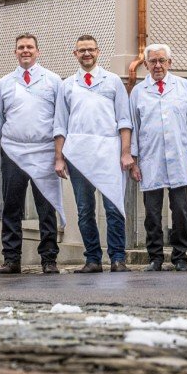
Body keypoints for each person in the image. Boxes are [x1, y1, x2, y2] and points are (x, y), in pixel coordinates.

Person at [52, 33, 135, 273]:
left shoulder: (113, 81)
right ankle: (93, 259)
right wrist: (59, 157)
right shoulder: (67, 85)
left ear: (98, 52)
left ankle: (118, 258)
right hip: (78, 155)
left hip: (109, 152)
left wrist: (126, 152)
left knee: (113, 207)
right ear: (75, 54)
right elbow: (60, 124)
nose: (86, 53)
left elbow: (124, 120)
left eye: (91, 49)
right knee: (85, 209)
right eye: (82, 50)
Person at [0, 33, 63, 275]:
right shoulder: (5, 83)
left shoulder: (53, 81)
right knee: (11, 206)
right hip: (13, 151)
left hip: (44, 151)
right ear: (15, 52)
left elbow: (61, 121)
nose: (25, 50)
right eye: (21, 47)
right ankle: (11, 259)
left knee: (46, 206)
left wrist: (59, 155)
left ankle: (49, 259)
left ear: (38, 52)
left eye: (30, 47)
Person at [128, 43, 187, 272]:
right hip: (150, 159)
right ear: (146, 64)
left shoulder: (183, 86)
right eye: (153, 61)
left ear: (170, 62)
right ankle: (155, 257)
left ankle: (180, 257)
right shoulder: (139, 92)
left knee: (180, 211)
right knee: (152, 213)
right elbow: (134, 127)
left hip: (179, 157)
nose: (158, 65)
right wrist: (134, 161)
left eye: (162, 61)